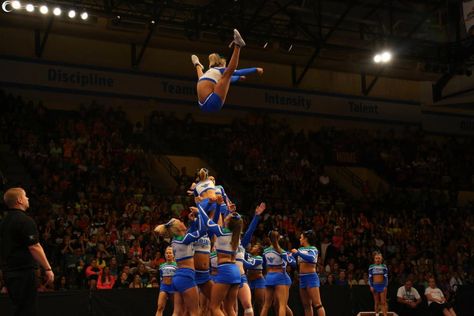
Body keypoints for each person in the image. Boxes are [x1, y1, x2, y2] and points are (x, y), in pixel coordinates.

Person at [0, 187, 54, 316]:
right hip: (23, 272)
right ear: (19, 200)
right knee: (27, 309)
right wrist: (48, 268)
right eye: (25, 196)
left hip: (9, 272)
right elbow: (34, 246)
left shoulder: (3, 222)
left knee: (18, 308)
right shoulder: (24, 220)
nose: (27, 198)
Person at [191, 29, 263, 112]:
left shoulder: (209, 73)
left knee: (201, 77)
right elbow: (236, 72)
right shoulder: (221, 70)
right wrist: (255, 69)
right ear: (222, 64)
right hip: (210, 103)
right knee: (227, 74)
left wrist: (238, 78)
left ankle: (198, 65)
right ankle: (238, 46)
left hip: (204, 104)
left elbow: (230, 79)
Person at [197, 203, 243, 316]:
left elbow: (207, 221)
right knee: (229, 307)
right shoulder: (236, 235)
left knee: (214, 307)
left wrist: (199, 206)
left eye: (227, 216)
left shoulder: (221, 232)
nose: (225, 216)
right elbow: (229, 222)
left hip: (225, 270)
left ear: (228, 221)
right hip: (236, 271)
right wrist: (229, 211)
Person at [291, 229, 326, 316]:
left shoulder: (313, 249)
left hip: (311, 277)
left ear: (306, 239)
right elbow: (296, 264)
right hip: (302, 278)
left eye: (301, 237)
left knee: (317, 304)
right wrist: (288, 257)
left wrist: (298, 253)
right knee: (306, 305)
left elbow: (311, 258)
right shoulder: (300, 249)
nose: (300, 239)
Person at [261, 230, 293, 316]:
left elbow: (263, 264)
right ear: (278, 238)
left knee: (266, 305)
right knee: (282, 305)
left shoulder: (265, 251)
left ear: (269, 239)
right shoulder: (281, 251)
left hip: (269, 277)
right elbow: (293, 263)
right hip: (279, 277)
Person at [156, 246, 177, 316]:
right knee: (160, 307)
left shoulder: (177, 265)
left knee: (176, 308)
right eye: (167, 253)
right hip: (164, 287)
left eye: (170, 253)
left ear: (173, 255)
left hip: (174, 287)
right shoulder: (161, 266)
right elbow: (160, 277)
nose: (168, 254)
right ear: (165, 255)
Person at [368, 251, 388, 316]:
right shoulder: (371, 266)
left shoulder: (384, 266)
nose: (378, 260)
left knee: (383, 302)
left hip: (382, 285)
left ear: (381, 259)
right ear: (374, 259)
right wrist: (371, 286)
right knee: (376, 302)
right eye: (376, 258)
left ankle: (385, 315)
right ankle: (377, 314)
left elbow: (386, 277)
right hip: (375, 286)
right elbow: (370, 277)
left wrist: (385, 286)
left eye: (379, 258)